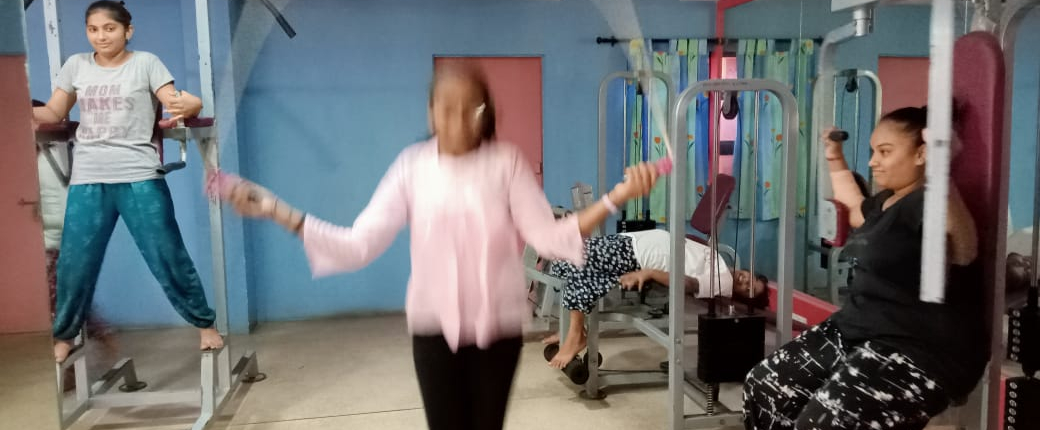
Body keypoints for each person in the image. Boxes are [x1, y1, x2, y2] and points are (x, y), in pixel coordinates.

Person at [219, 63, 661, 430]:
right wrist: (275, 209)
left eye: (470, 108)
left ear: (484, 113)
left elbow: (548, 235)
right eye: (446, 108)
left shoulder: (505, 163)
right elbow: (358, 244)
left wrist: (617, 197)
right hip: (434, 329)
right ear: (431, 113)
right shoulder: (412, 167)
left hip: (498, 330)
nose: (457, 119)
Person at [742, 107, 986, 430]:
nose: (872, 162)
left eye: (884, 152)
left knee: (820, 424)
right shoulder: (888, 200)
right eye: (873, 151)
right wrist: (834, 156)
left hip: (918, 347)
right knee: (764, 387)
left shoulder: (930, 202)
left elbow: (966, 248)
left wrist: (940, 175)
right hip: (858, 327)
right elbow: (856, 210)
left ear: (921, 154)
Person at [32, 0, 222, 363]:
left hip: (138, 175)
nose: (101, 36)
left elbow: (176, 101)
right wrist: (15, 108)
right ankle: (65, 334)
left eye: (109, 28)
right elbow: (55, 111)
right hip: (88, 177)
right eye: (93, 29)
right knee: (75, 261)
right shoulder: (76, 65)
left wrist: (191, 105)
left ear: (127, 31)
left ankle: (204, 324)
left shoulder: (146, 63)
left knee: (167, 253)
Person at [542, 228, 771, 369]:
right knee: (564, 266)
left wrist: (650, 273)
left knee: (571, 260)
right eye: (751, 279)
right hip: (633, 242)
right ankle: (572, 329)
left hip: (636, 254)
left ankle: (575, 334)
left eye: (748, 289)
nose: (745, 281)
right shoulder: (720, 263)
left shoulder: (723, 283)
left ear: (739, 296)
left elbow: (688, 283)